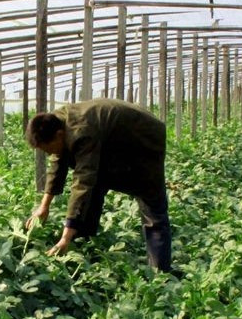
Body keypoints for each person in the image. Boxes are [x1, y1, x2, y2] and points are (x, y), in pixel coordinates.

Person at [24, 98, 173, 273]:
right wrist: (44, 206)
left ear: (58, 135)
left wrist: (65, 236)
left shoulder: (82, 133)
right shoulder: (55, 121)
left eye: (47, 149)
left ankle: (160, 274)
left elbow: (83, 180)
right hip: (113, 138)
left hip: (143, 137)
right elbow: (58, 163)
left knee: (152, 205)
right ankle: (82, 246)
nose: (48, 153)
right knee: (94, 187)